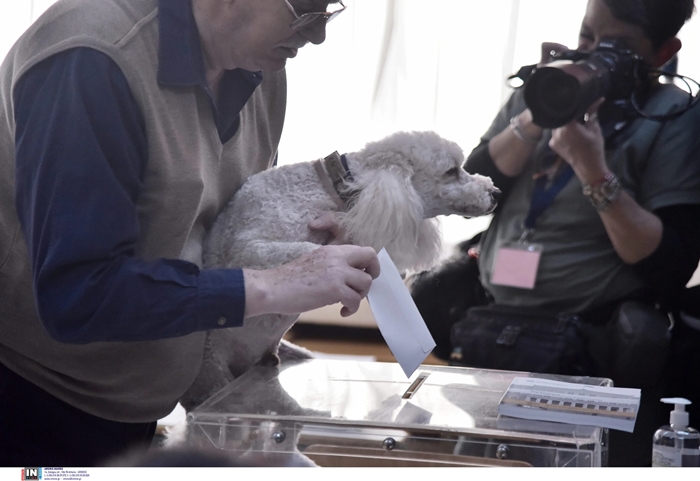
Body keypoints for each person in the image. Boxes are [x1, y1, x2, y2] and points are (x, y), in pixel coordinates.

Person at [0, 0, 380, 467]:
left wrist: (306, 237)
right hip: (30, 404)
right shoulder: (91, 59)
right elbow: (78, 295)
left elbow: (219, 226)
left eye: (327, 10)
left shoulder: (259, 66)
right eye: (304, 10)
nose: (317, 34)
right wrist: (274, 283)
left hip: (139, 400)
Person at [415, 0, 700, 467]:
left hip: (594, 351)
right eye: (587, 36)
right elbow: (470, 194)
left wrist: (593, 170)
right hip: (494, 333)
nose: (594, 52)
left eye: (617, 45)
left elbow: (671, 263)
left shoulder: (674, 112)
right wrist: (540, 110)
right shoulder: (547, 87)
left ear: (664, 52)